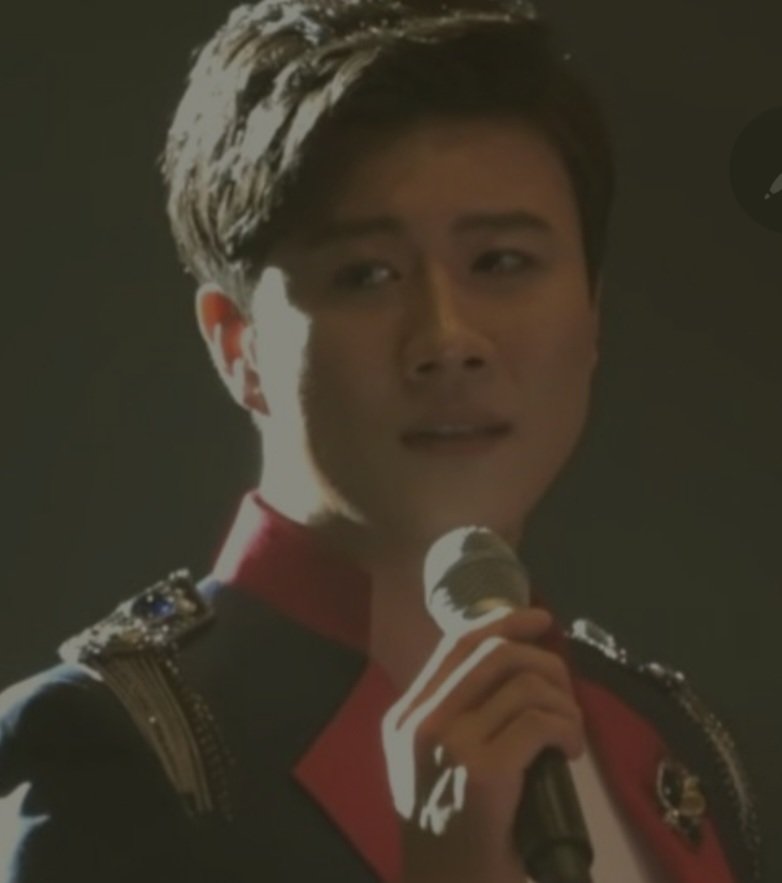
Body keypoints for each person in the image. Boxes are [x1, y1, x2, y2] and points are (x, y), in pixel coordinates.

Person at [0, 1, 762, 881]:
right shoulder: (120, 753)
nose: (449, 339)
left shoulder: (667, 737)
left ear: (591, 311)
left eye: (502, 261)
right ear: (238, 344)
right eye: (366, 275)